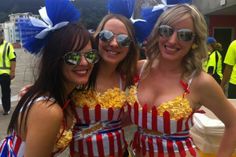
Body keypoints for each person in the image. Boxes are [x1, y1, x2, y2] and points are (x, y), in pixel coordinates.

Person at [126, 4, 236, 156]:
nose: (172, 41)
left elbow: (233, 122)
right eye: (166, 31)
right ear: (157, 33)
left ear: (195, 41)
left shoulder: (200, 82)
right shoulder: (139, 69)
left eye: (184, 35)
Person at [0, 0, 100, 157]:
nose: (84, 62)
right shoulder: (48, 111)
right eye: (73, 56)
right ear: (55, 60)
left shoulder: (61, 96)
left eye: (90, 55)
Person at [70, 14, 139, 157]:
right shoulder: (81, 71)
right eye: (106, 36)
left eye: (123, 39)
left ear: (130, 46)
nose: (114, 44)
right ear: (97, 37)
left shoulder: (129, 76)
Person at [0, 29, 16, 115]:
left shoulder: (8, 45)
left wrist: (12, 71)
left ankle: (7, 109)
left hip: (5, 73)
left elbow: (12, 59)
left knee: (5, 92)